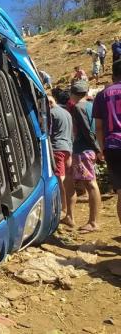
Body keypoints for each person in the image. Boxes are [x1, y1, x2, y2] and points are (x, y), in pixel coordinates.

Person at [61, 80, 102, 232]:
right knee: (70, 181)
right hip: (84, 149)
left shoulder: (78, 107)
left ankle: (93, 222)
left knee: (90, 184)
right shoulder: (91, 105)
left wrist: (96, 148)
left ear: (73, 94)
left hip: (83, 150)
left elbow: (86, 129)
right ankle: (70, 216)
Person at [93, 59, 121, 227]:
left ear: (113, 75)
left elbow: (98, 126)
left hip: (112, 146)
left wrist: (101, 148)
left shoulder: (103, 94)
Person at [48, 96, 73, 218]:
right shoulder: (66, 112)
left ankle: (64, 207)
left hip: (56, 148)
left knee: (60, 178)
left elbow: (48, 132)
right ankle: (68, 207)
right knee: (68, 178)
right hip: (68, 147)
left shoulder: (51, 113)